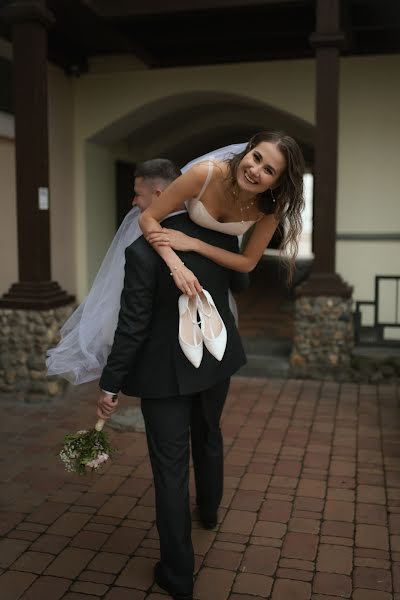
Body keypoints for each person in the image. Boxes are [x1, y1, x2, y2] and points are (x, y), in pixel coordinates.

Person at [96, 158, 249, 600]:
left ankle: (178, 574)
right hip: (216, 361)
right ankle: (211, 512)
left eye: (139, 193)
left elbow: (132, 326)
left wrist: (110, 384)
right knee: (210, 434)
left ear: (161, 195)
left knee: (170, 469)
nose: (134, 201)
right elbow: (240, 285)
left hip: (164, 376)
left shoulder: (140, 252)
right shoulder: (221, 232)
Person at [140, 130, 305, 296]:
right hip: (173, 260)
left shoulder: (272, 206)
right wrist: (176, 267)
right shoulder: (204, 174)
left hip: (217, 274)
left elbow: (248, 263)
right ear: (248, 151)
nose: (255, 171)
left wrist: (195, 244)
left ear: (275, 184)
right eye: (256, 157)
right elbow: (148, 217)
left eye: (268, 170)